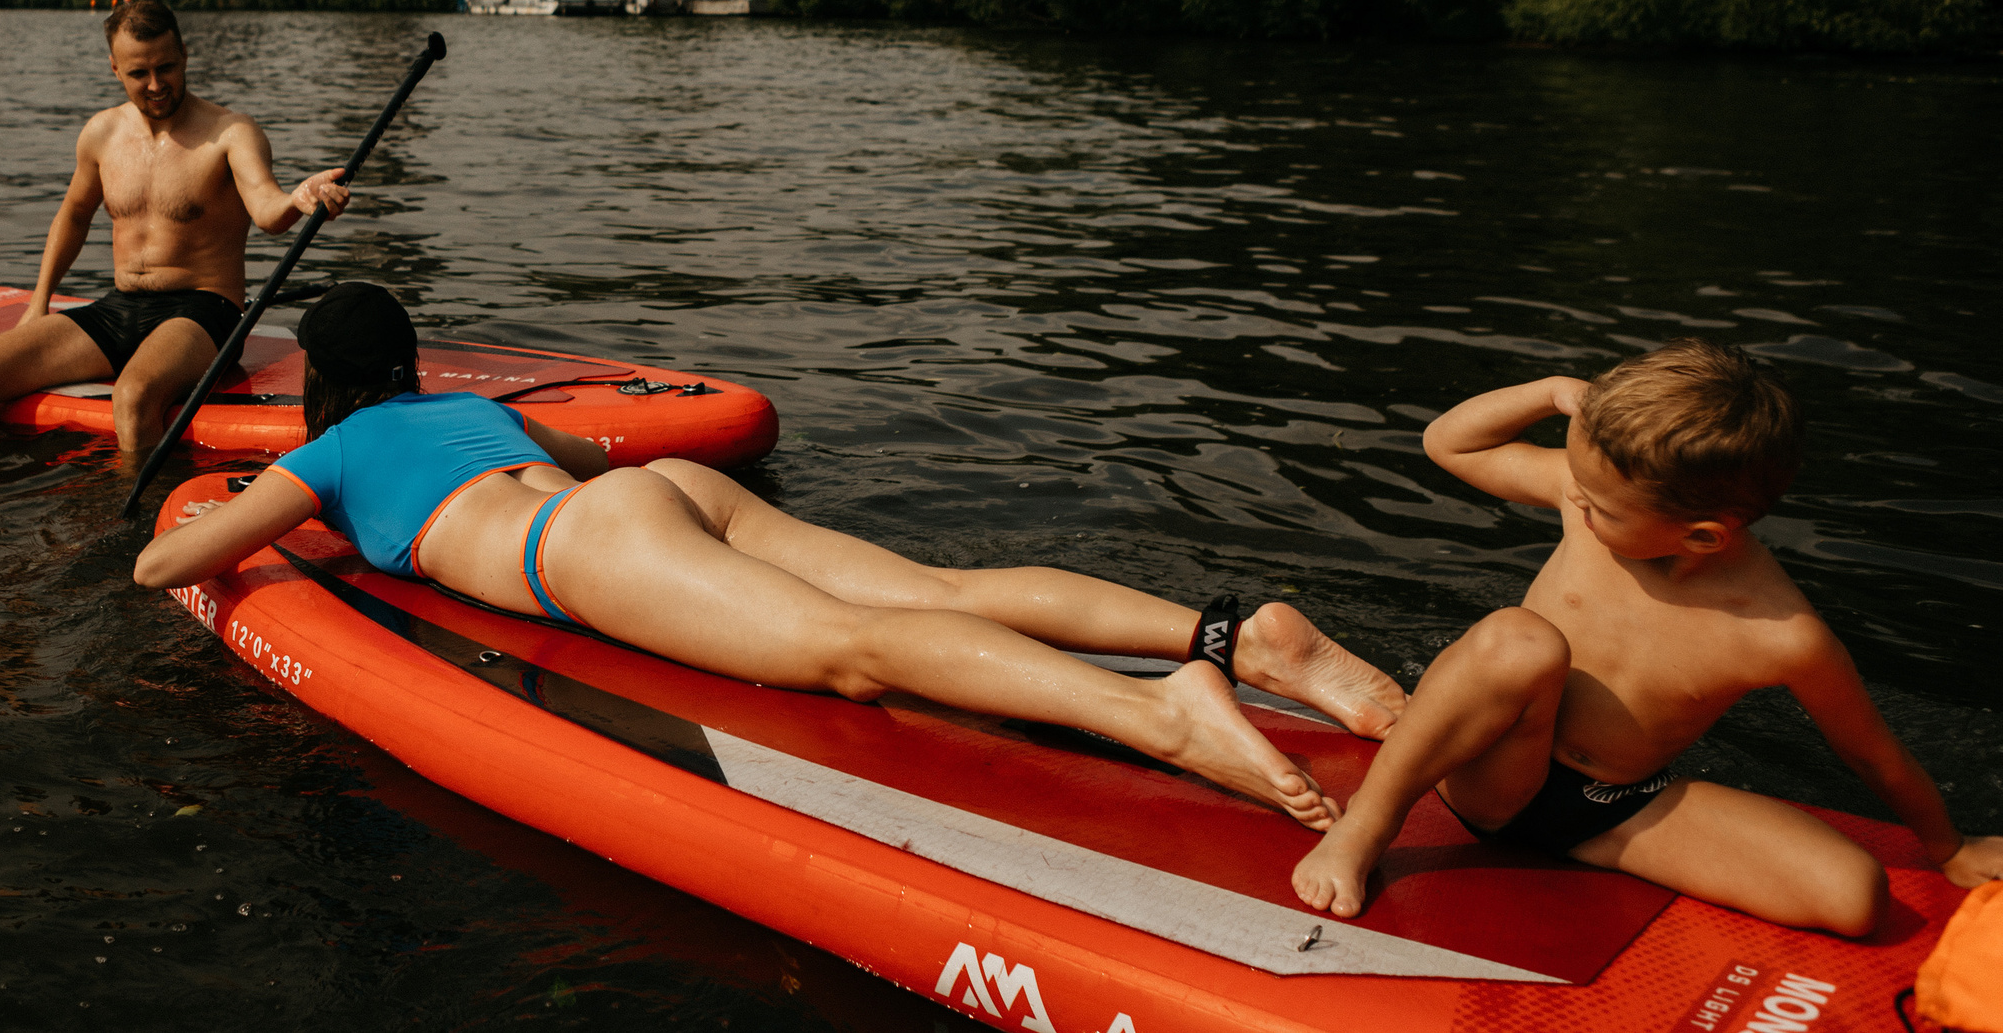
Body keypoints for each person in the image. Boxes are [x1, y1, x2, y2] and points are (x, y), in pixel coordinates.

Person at [135, 282, 1413, 830]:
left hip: (579, 548)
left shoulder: (331, 451)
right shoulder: (467, 410)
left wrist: (216, 516)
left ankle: (1166, 711)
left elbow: (165, 566)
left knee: (853, 652)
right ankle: (1230, 633)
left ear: (325, 382)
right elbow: (590, 460)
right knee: (938, 589)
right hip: (651, 493)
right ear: (410, 362)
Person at [1291, 340, 2003, 933]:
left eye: (1598, 504)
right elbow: (1448, 443)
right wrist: (1553, 392)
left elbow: (1871, 753)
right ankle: (1367, 827)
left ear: (1701, 536)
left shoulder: (1784, 635)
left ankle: (1569, 847)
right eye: (1578, 483)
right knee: (1520, 640)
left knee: (1855, 896)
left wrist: (1948, 847)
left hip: (1613, 808)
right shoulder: (1588, 497)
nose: (1575, 499)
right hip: (1487, 766)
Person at [0, 0, 351, 462]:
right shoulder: (101, 133)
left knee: (132, 397)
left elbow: (267, 209)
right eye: (138, 73)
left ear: (185, 54)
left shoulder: (231, 132)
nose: (155, 85)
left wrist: (298, 199)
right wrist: (38, 303)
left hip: (205, 310)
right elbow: (74, 215)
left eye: (165, 67)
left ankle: (138, 508)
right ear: (114, 68)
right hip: (119, 307)